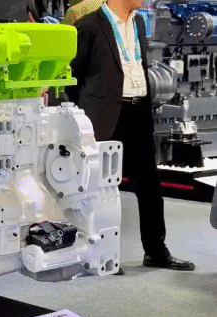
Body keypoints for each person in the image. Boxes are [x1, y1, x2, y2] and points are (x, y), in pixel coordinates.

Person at [67, 0, 195, 271]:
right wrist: (91, 110)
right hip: (105, 117)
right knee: (99, 189)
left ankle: (156, 252)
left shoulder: (138, 22)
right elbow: (72, 76)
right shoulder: (88, 26)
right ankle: (100, 255)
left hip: (139, 112)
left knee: (150, 186)